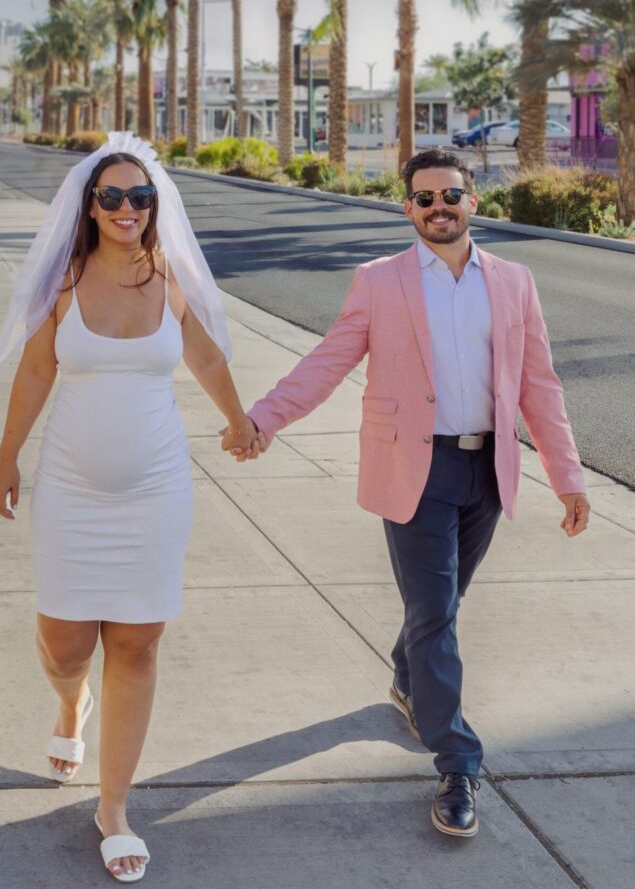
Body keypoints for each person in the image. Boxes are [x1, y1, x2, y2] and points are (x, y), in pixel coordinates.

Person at [224, 148, 590, 838]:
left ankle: (405, 675)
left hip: (487, 469)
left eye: (449, 194)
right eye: (423, 198)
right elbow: (328, 360)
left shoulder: (512, 282)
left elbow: (539, 387)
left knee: (441, 607)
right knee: (435, 615)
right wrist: (264, 418)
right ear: (407, 209)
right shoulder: (380, 281)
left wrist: (566, 476)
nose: (437, 207)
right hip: (415, 472)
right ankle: (457, 762)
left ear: (473, 201)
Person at [0, 132, 261, 882]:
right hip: (71, 493)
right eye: (111, 196)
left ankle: (113, 807)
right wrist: (7, 455)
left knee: (138, 645)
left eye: (139, 197)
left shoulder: (169, 275)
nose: (126, 208)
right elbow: (37, 372)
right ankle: (69, 702)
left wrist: (238, 420)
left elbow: (205, 356)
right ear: (89, 204)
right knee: (65, 642)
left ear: (153, 206)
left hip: (156, 492)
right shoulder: (64, 281)